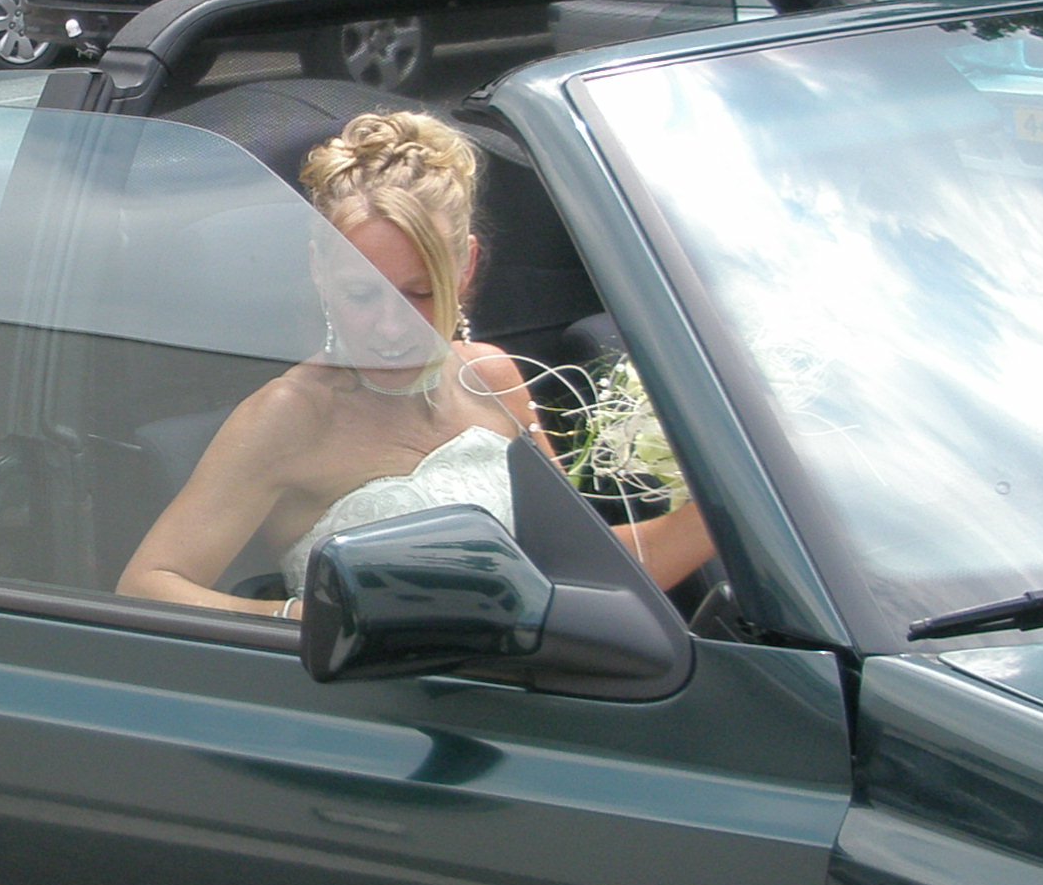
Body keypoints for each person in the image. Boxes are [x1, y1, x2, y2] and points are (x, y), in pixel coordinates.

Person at [117, 110, 712, 614]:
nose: (390, 326)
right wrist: (317, 619)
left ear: (467, 267)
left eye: (421, 293)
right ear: (320, 269)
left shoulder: (494, 377)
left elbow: (579, 569)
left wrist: (716, 511)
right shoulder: (289, 416)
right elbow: (148, 586)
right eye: (361, 294)